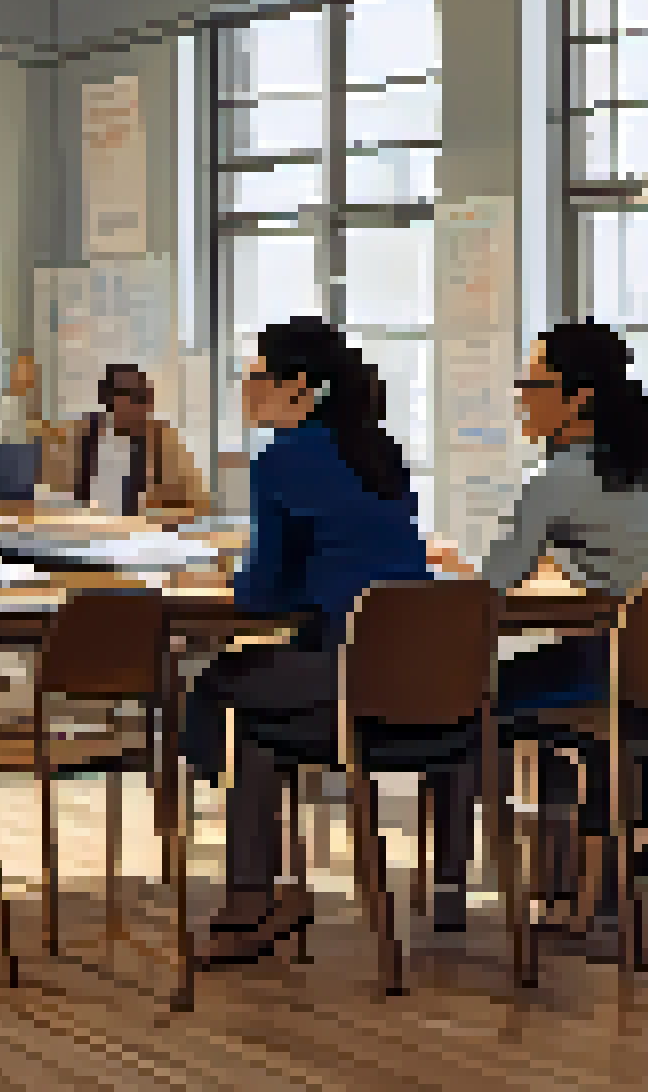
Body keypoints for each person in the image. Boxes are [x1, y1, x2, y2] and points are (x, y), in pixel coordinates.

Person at [432, 321, 648, 903]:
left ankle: (449, 888)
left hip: (625, 679)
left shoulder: (558, 477)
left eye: (532, 384)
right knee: (568, 683)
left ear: (578, 399)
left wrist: (450, 569)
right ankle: (585, 872)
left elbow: (490, 591)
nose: (520, 400)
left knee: (464, 696)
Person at [187, 318, 436, 964]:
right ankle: (257, 900)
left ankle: (245, 882)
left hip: (353, 674)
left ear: (300, 387)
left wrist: (231, 576)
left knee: (221, 686)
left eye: (258, 375)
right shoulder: (378, 450)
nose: (248, 388)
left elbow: (263, 593)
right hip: (433, 684)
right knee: (263, 724)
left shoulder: (282, 461)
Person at [40, 362, 210, 520]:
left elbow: (198, 503)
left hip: (141, 539)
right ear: (107, 399)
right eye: (131, 395)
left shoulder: (163, 441)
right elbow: (49, 493)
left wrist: (152, 514)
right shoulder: (79, 436)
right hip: (81, 533)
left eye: (143, 395)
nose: (141, 403)